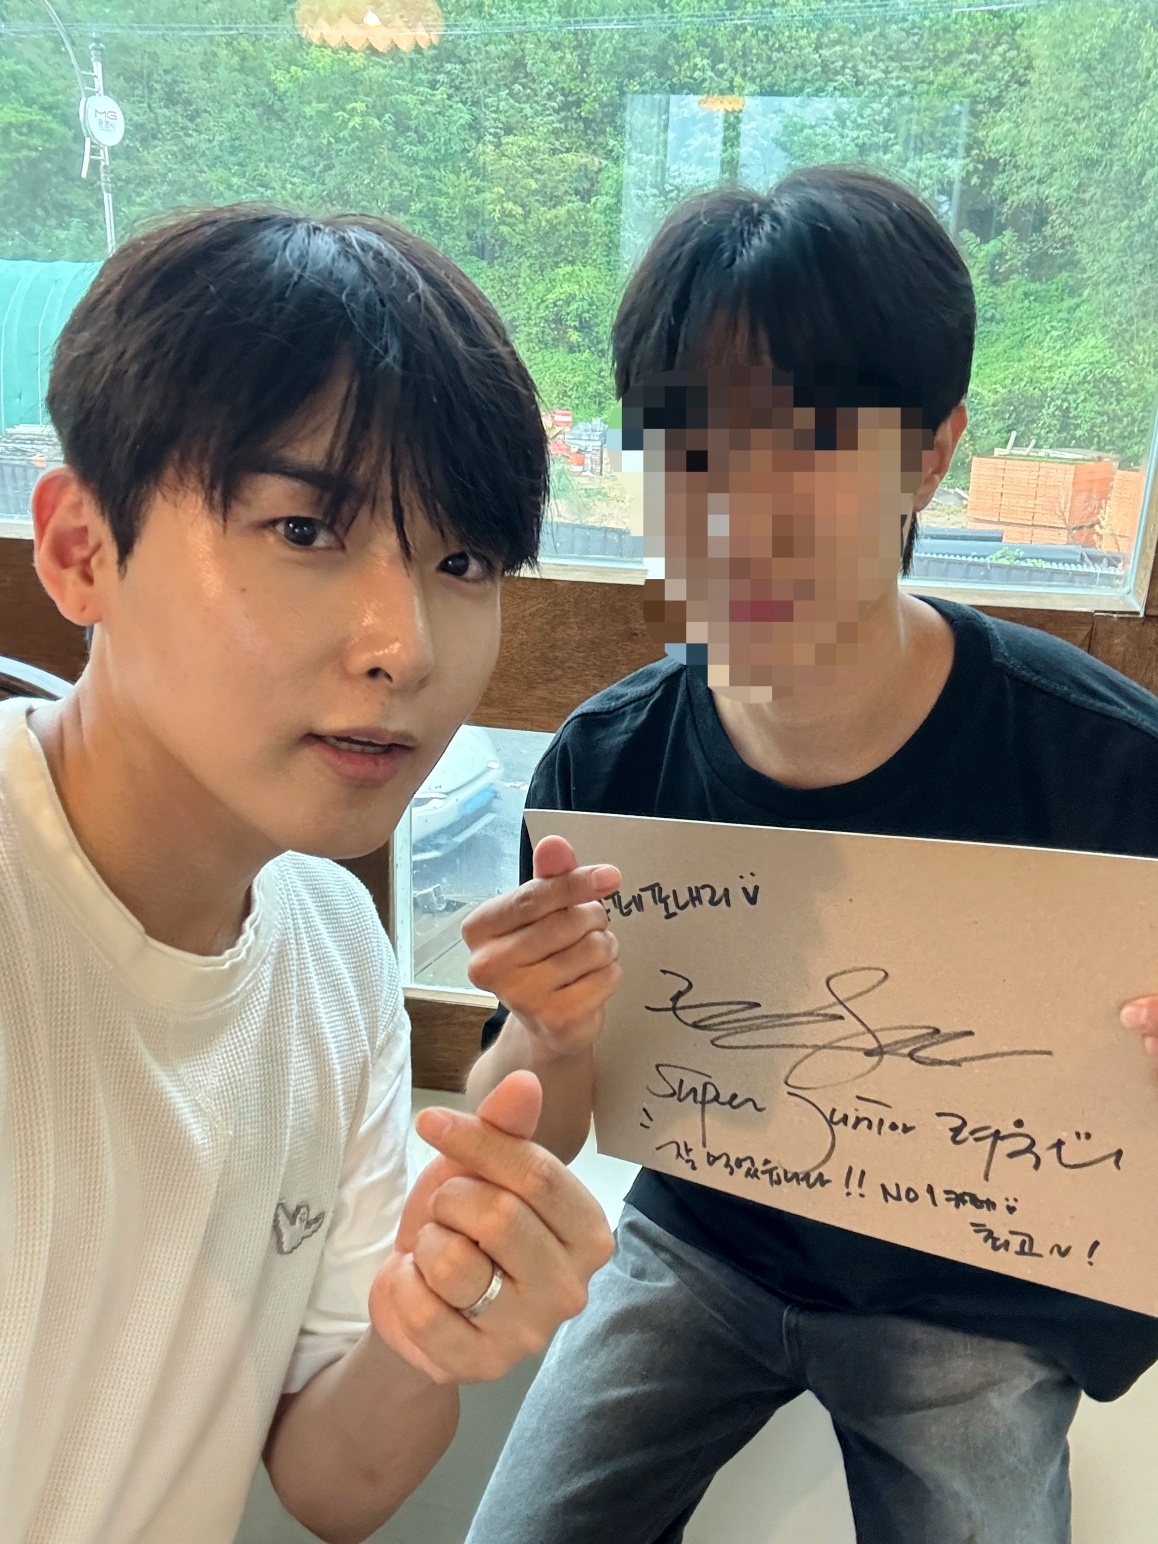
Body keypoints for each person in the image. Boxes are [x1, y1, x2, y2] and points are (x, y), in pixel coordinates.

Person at [461, 167, 1158, 1544]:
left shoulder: (1106, 770)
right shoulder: (609, 767)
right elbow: (519, 1117)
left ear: (931, 453)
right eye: (693, 452)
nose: (742, 514)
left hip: (977, 1284)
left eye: (811, 447)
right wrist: (547, 1029)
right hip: (701, 1237)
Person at [0, 204, 614, 1544]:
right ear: (80, 549)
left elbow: (335, 1487)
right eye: (302, 530)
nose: (404, 645)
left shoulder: (334, 943)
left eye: (461, 561)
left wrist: (430, 1321)